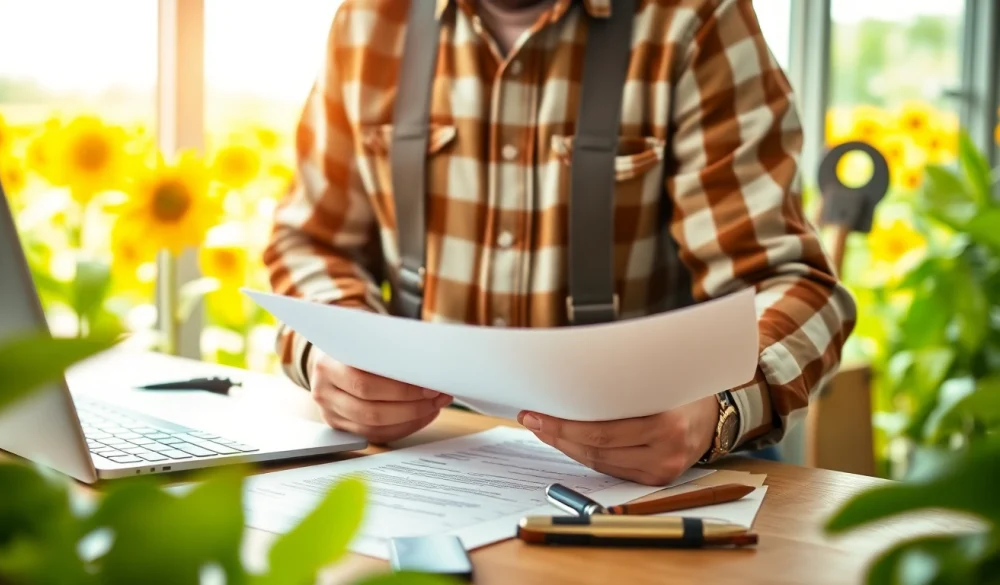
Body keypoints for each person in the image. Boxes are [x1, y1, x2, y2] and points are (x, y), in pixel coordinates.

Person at [263, 0, 857, 486]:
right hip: (435, 456)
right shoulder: (371, 20)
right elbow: (310, 241)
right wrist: (330, 353)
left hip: (650, 474)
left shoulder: (694, 19)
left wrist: (718, 408)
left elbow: (798, 287)